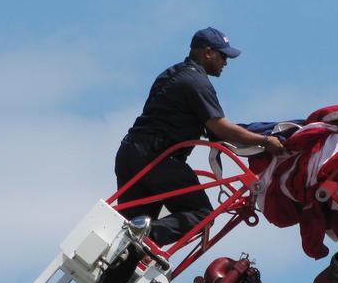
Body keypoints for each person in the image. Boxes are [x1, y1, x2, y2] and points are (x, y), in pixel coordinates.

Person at [115, 27, 284, 246]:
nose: (225, 62)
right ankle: (149, 236)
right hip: (156, 159)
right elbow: (220, 128)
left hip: (130, 155)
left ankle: (121, 264)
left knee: (128, 237)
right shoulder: (197, 82)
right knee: (202, 215)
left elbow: (207, 128)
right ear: (207, 52)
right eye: (223, 55)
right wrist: (264, 140)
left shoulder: (172, 74)